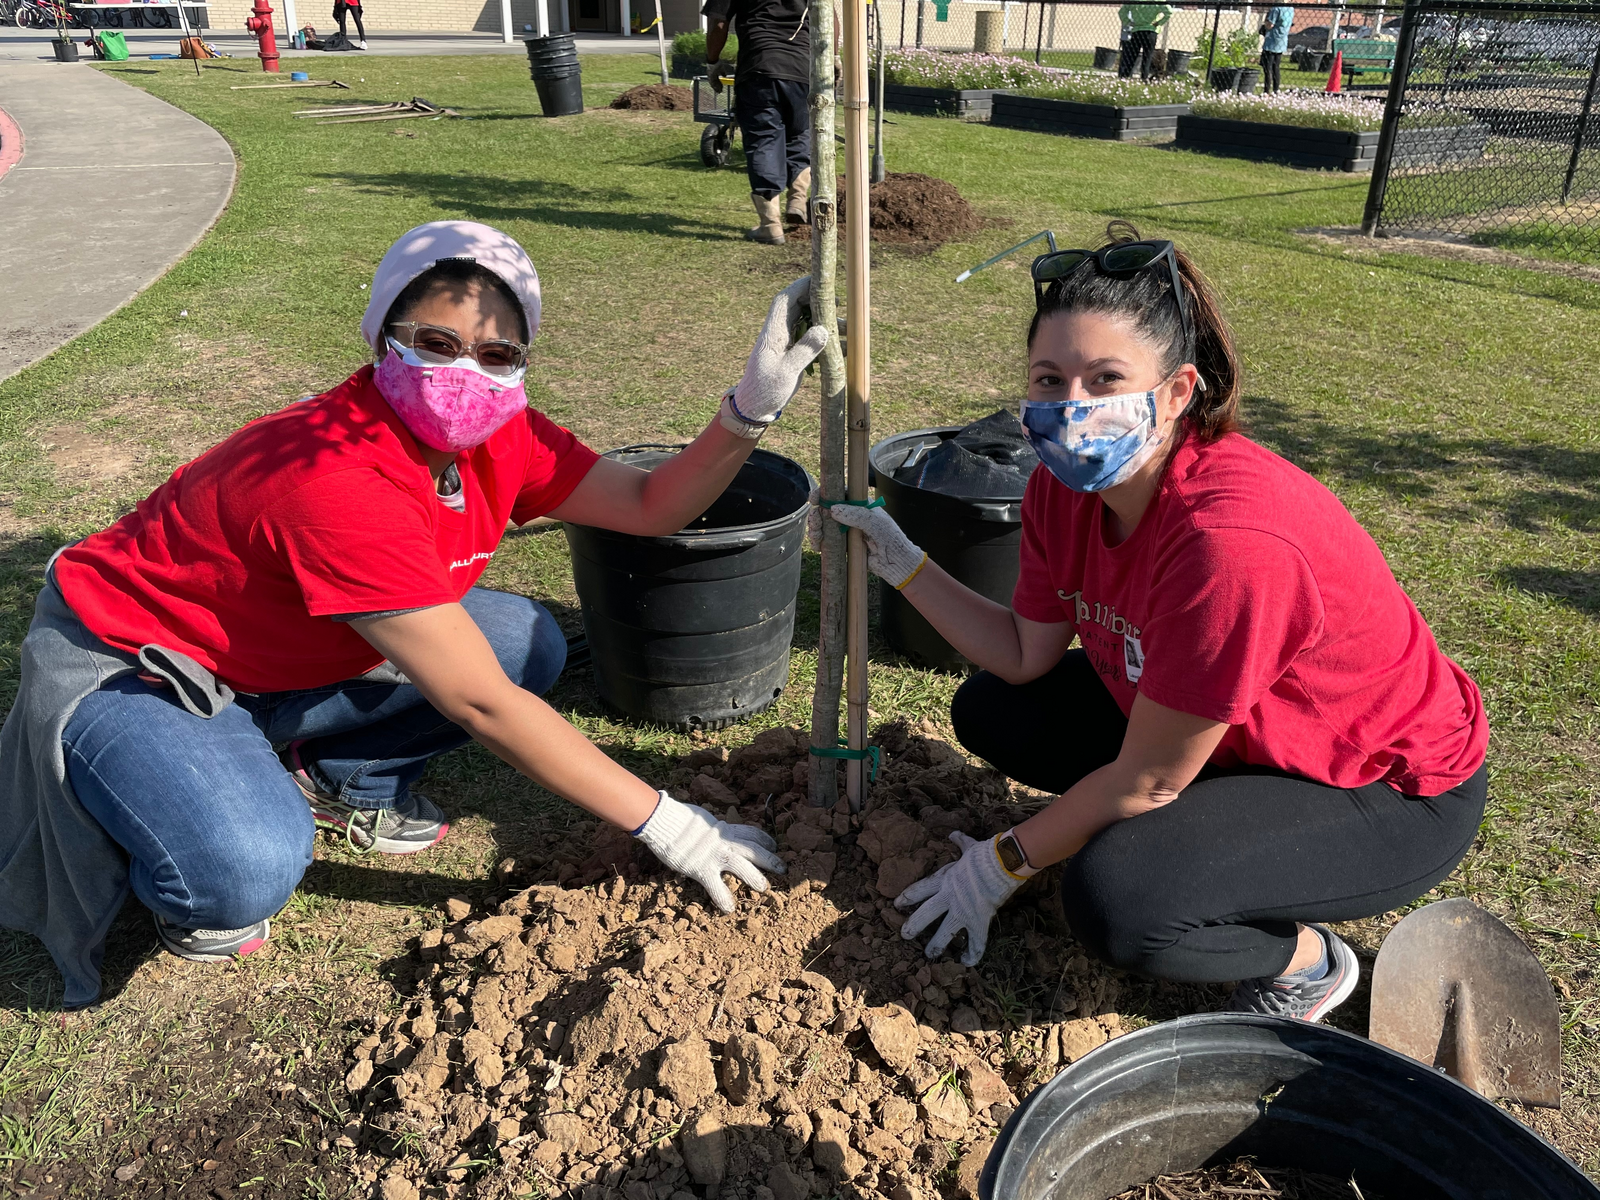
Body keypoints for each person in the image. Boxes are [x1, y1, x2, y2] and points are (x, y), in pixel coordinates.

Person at [0, 221, 829, 1008]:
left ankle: (340, 774)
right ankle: (185, 843)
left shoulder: (503, 437)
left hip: (279, 652)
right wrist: (672, 826)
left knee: (523, 640)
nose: (466, 371)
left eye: (497, 353)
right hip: (139, 663)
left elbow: (651, 502)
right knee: (247, 866)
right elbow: (479, 705)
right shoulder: (333, 477)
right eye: (437, 342)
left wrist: (747, 411)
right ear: (381, 336)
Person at [826, 223, 1488, 1024]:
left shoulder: (1230, 543)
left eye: (1106, 380)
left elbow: (1151, 779)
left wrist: (1002, 863)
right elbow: (1024, 653)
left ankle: (1310, 965)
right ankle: (1207, 833)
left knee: (1117, 900)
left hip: (1384, 785)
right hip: (1228, 736)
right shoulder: (1060, 492)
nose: (1070, 408)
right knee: (994, 708)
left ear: (1177, 392)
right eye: (1048, 379)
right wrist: (903, 564)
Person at [702, 0, 812, 245]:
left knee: (764, 139)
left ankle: (771, 225)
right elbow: (828, 16)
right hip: (802, 70)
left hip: (760, 67)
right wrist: (834, 57)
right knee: (799, 133)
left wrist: (712, 61)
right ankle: (798, 199)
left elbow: (719, 22)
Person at [1116, 2, 1172, 80]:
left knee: (1132, 56)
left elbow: (1122, 12)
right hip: (1150, 30)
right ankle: (1144, 78)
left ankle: (1126, 77)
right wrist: (1159, 23)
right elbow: (1169, 12)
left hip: (1137, 30)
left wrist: (1129, 22)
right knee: (1147, 57)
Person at [1260, 5, 1293, 92]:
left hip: (1271, 41)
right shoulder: (1290, 9)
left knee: (1268, 67)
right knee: (1276, 67)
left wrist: (1265, 22)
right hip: (1282, 41)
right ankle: (1276, 90)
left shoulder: (1276, 9)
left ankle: (1266, 91)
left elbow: (1270, 25)